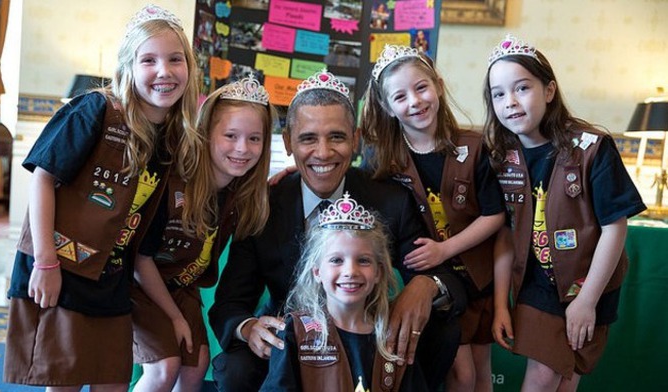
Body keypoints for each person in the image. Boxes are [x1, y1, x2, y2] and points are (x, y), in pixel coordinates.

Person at [209, 69, 466, 391]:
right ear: (288, 142)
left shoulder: (389, 199)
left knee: (442, 329)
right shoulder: (264, 204)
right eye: (307, 138)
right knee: (236, 368)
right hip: (288, 340)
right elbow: (229, 303)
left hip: (368, 334)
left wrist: (428, 285)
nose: (323, 153)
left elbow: (449, 278)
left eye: (337, 137)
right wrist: (247, 328)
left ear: (355, 139)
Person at [3, 5, 200, 391]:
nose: (164, 71)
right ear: (128, 67)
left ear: (189, 68)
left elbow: (142, 245)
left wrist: (172, 314)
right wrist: (45, 263)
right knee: (63, 381)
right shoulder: (95, 109)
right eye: (149, 60)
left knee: (112, 381)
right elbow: (42, 179)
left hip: (111, 282)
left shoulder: (170, 141)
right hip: (62, 271)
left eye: (175, 59)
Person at [483, 33, 646, 391]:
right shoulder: (498, 158)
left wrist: (586, 301)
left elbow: (615, 227)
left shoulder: (591, 148)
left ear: (549, 90)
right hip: (536, 287)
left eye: (522, 88)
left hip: (589, 285)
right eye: (498, 94)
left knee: (565, 378)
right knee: (542, 375)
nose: (510, 101)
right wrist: (500, 304)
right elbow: (504, 235)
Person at [361, 44, 506, 391]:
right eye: (400, 96)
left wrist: (445, 249)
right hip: (428, 282)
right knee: (461, 373)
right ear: (387, 106)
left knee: (481, 372)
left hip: (476, 277)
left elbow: (495, 214)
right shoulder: (382, 159)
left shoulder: (474, 148)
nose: (414, 101)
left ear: (438, 85)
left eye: (421, 87)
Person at [130, 75, 275, 391]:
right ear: (207, 133)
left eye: (254, 139)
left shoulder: (242, 195)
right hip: (139, 284)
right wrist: (175, 318)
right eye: (231, 135)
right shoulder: (173, 182)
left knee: (196, 365)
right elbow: (139, 260)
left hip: (181, 289)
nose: (242, 148)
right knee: (164, 368)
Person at [260, 195, 428, 391]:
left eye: (363, 260)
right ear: (317, 272)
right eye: (336, 260)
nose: (350, 271)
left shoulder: (394, 335)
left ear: (378, 273)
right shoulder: (295, 332)